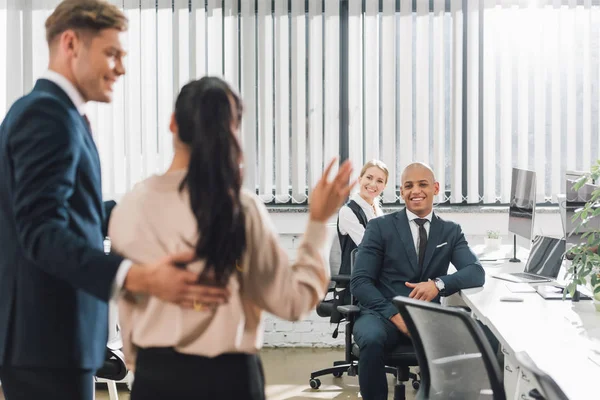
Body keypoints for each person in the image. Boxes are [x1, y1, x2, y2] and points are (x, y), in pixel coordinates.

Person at [0, 2, 228, 399]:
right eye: (112, 53)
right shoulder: (47, 116)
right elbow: (41, 231)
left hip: (49, 339)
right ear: (71, 43)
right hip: (46, 341)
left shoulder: (55, 114)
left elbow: (70, 212)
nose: (121, 68)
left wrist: (134, 213)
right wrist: (137, 276)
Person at [107, 76, 356, 400]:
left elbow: (126, 304)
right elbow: (293, 302)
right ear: (232, 131)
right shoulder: (242, 208)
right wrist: (318, 222)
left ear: (172, 124)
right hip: (233, 380)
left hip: (158, 379)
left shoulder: (130, 208)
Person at [350, 162, 485, 400]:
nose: (416, 191)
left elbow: (475, 271)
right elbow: (360, 282)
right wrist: (395, 315)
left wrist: (438, 285)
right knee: (370, 340)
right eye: (408, 186)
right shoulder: (379, 227)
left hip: (427, 317)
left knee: (474, 338)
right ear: (401, 192)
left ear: (435, 188)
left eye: (423, 184)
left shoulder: (450, 231)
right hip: (382, 314)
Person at [337, 160, 388, 275]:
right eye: (369, 178)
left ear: (384, 186)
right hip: (355, 281)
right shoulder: (348, 211)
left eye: (379, 181)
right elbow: (369, 247)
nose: (373, 184)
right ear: (360, 180)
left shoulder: (377, 211)